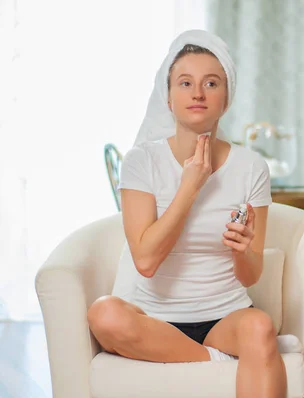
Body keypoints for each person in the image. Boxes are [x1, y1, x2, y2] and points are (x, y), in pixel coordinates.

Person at [86, 30, 287, 398]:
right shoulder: (142, 162)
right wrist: (190, 186)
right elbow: (145, 261)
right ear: (168, 97)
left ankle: (208, 352)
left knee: (260, 325)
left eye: (211, 83)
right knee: (104, 314)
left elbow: (251, 274)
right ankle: (214, 360)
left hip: (225, 317)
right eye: (185, 83)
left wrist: (242, 250)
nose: (198, 93)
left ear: (226, 98)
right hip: (155, 321)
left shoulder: (250, 166)